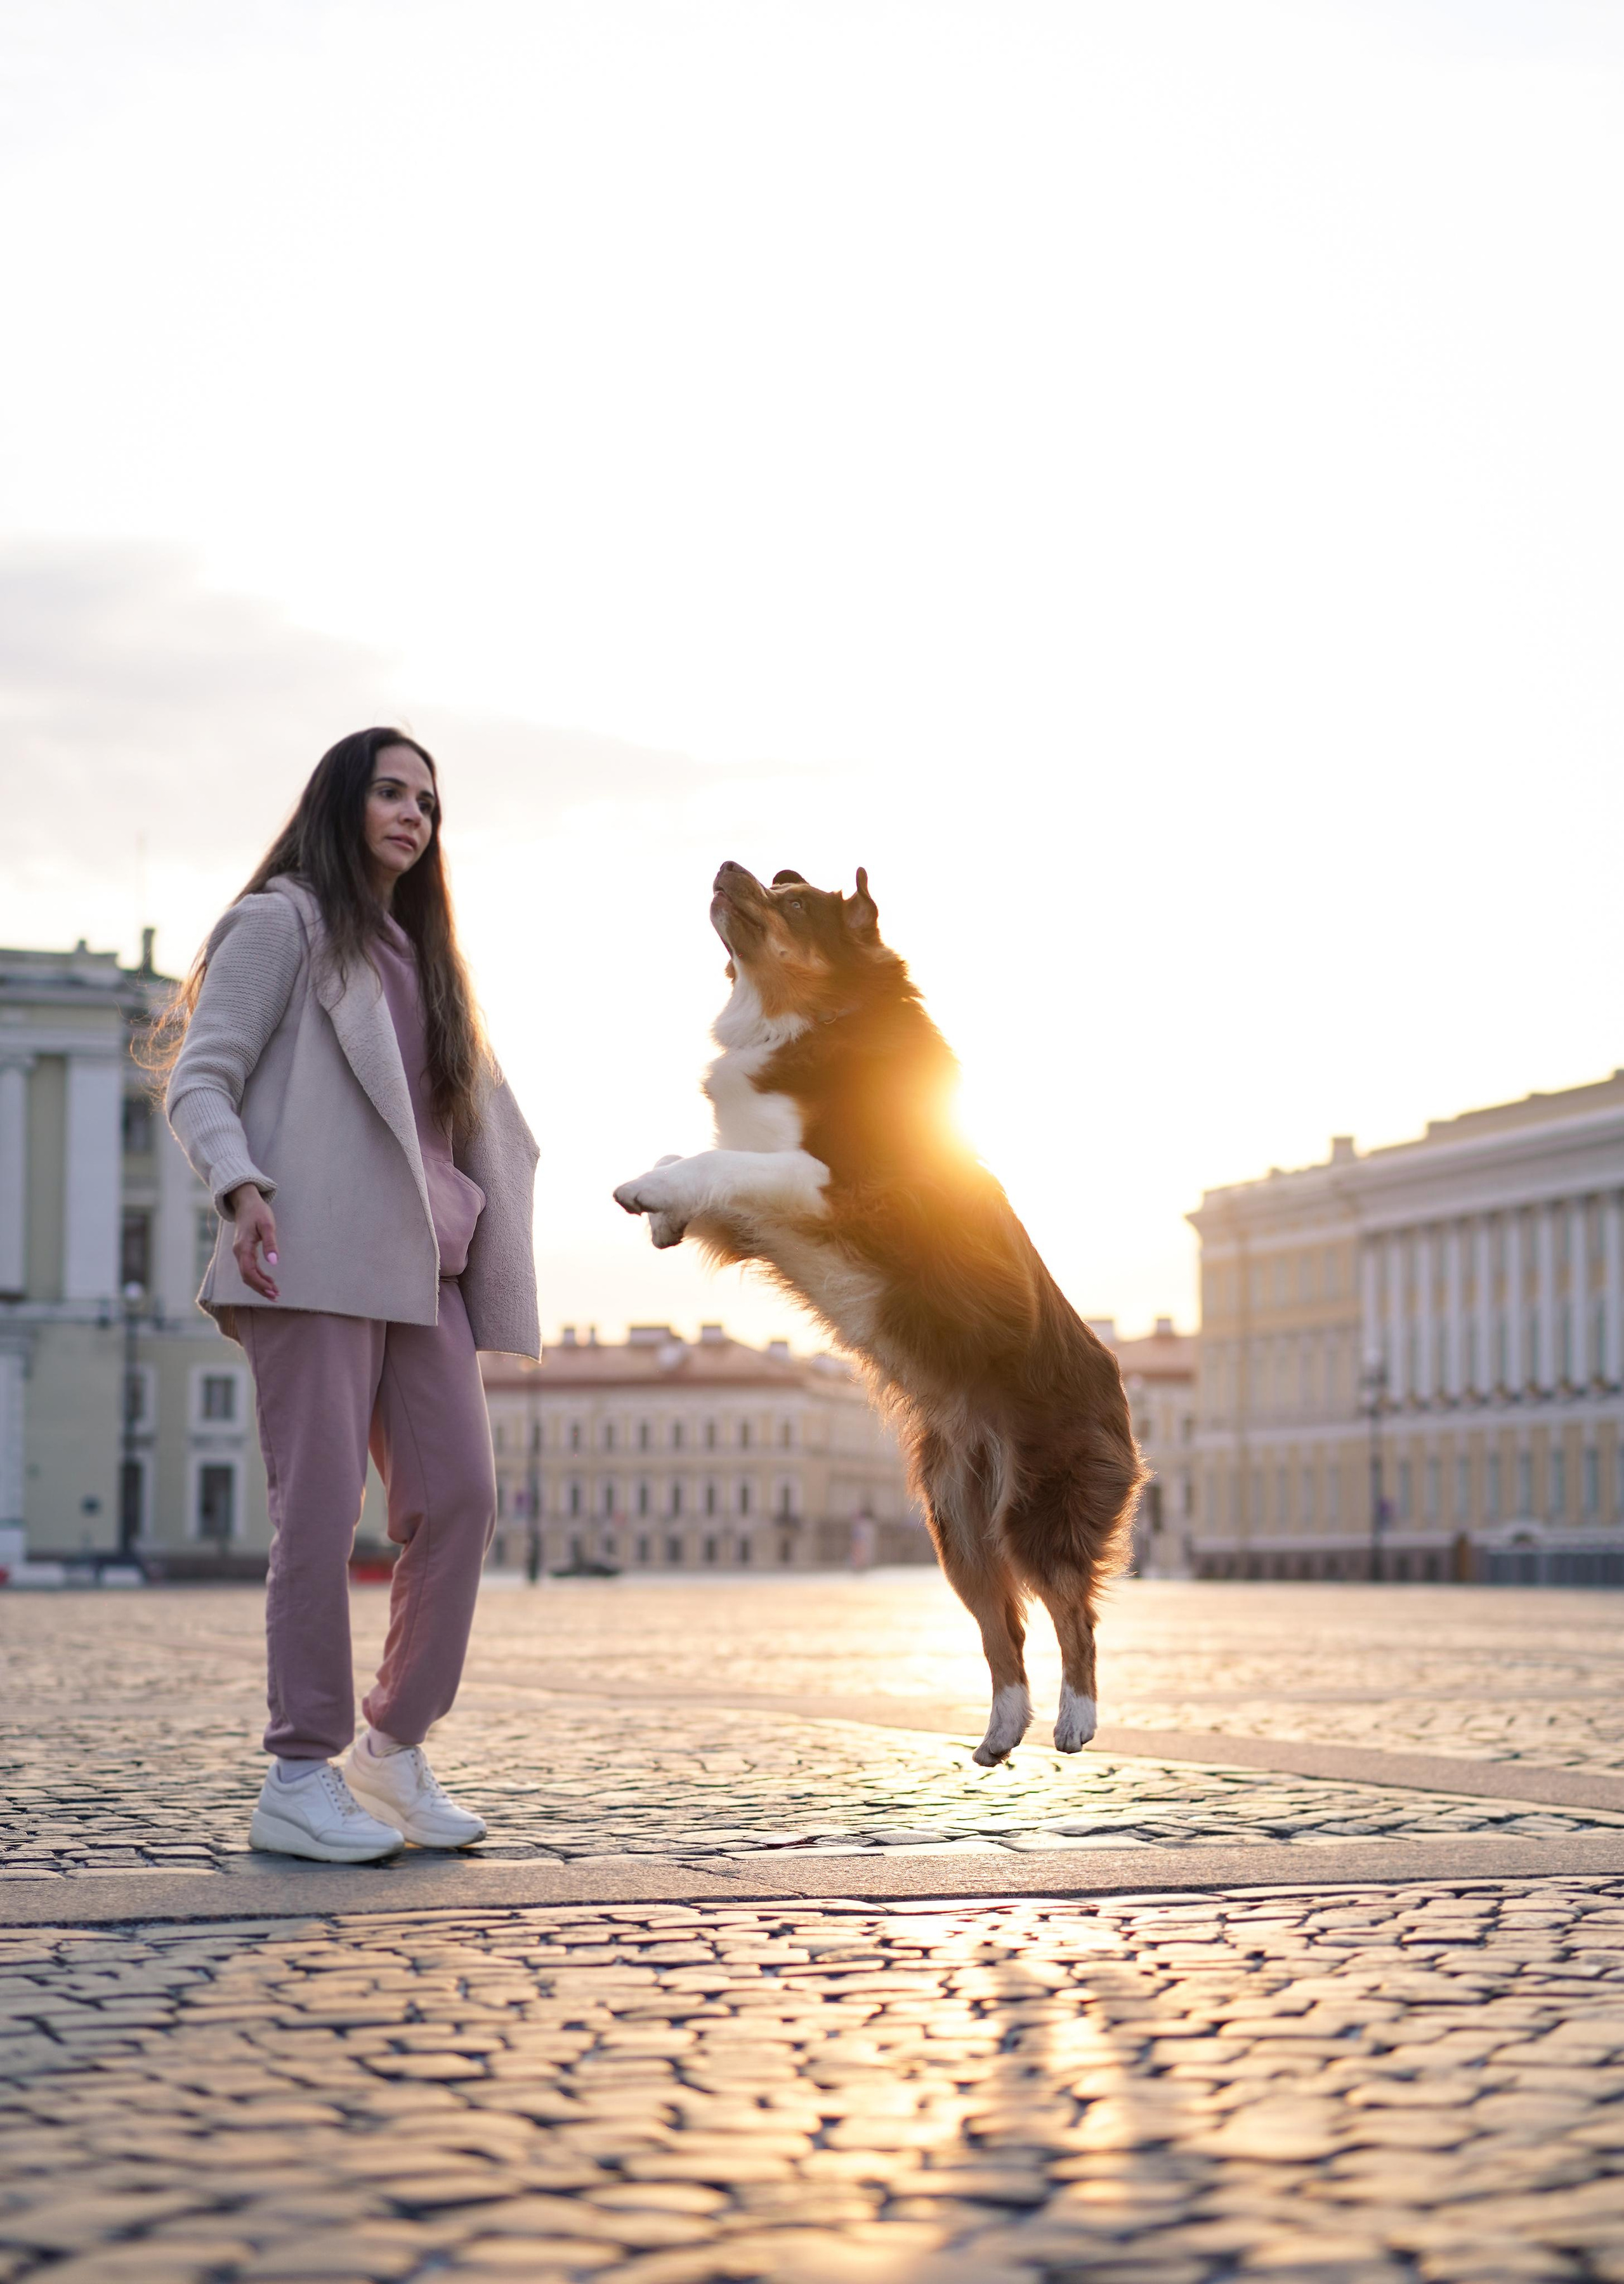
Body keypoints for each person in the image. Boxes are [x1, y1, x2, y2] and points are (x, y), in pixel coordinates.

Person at [157, 728, 539, 1863]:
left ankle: (391, 1746)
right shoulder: (281, 923)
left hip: (428, 1269)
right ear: (343, 800)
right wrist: (241, 1187)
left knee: (461, 1497)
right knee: (318, 1519)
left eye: (428, 800)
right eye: (390, 791)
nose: (413, 814)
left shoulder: (426, 957)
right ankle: (296, 1772)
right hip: (311, 1256)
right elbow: (201, 1076)